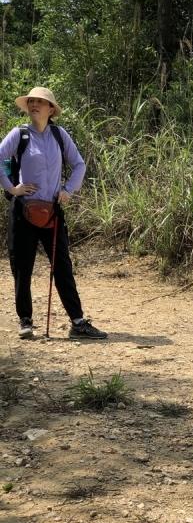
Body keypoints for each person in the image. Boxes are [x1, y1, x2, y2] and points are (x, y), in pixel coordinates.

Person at [0, 86, 107, 339]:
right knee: (22, 267)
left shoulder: (59, 135)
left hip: (52, 212)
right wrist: (12, 188)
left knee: (62, 266)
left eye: (40, 102)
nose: (34, 105)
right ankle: (25, 320)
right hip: (23, 211)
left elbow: (79, 164)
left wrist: (68, 190)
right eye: (32, 102)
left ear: (51, 109)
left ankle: (78, 322)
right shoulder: (20, 134)